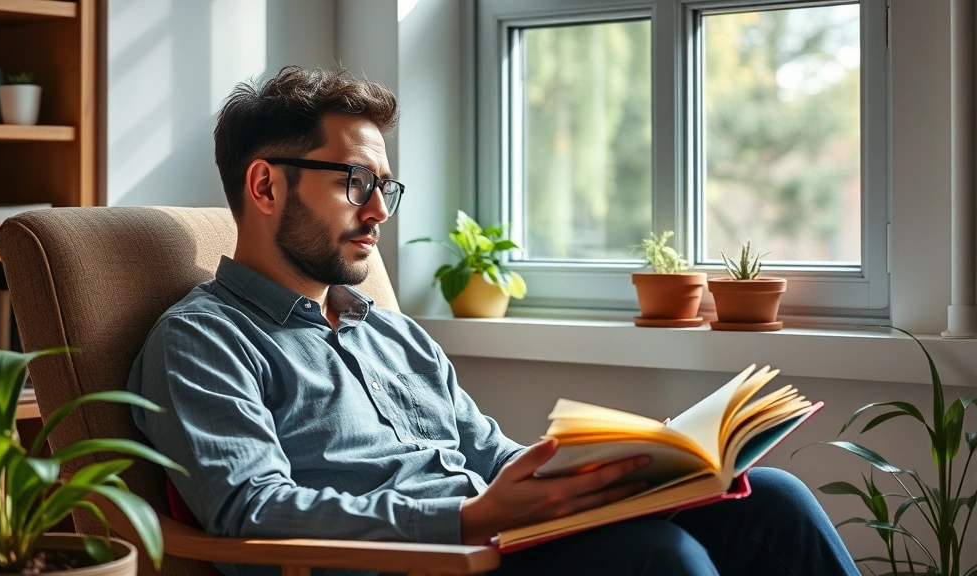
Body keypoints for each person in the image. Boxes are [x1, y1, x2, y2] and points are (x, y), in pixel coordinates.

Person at [128, 66, 859, 576]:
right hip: (415, 565)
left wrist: (620, 473)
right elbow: (250, 509)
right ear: (264, 184)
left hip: (495, 542)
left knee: (773, 501)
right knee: (660, 563)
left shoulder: (390, 332)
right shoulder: (202, 341)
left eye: (385, 186)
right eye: (355, 181)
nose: (379, 209)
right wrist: (466, 521)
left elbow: (487, 455)